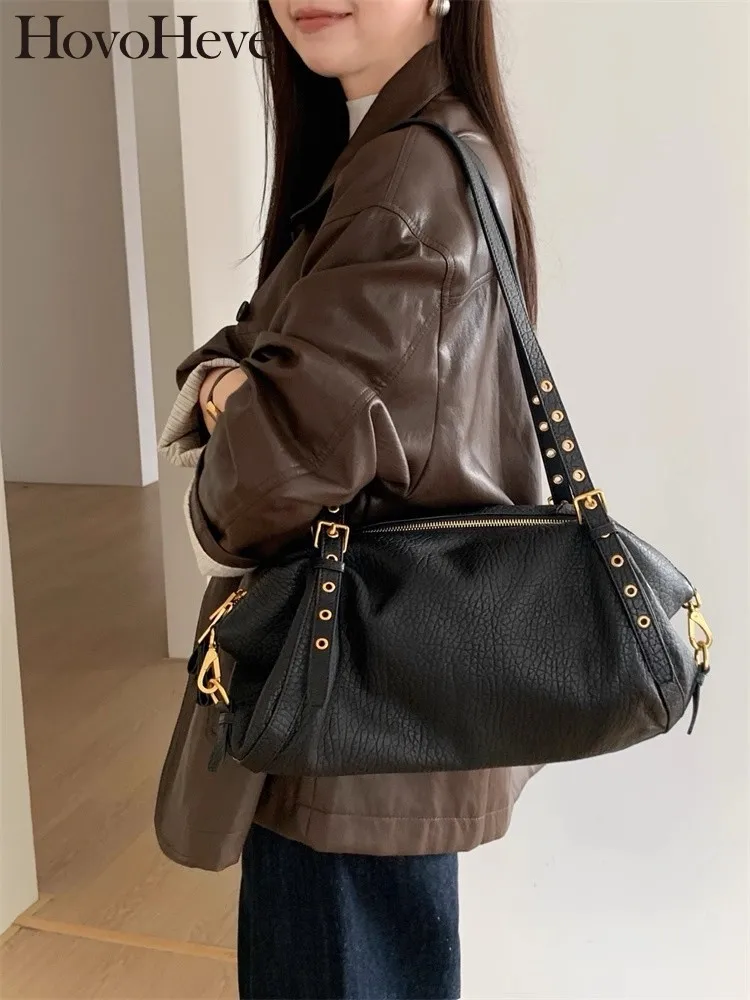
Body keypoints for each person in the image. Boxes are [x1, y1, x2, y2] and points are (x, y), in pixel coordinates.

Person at [156, 1, 544, 997]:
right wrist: (241, 381)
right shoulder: (416, 147)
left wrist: (224, 392)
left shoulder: (407, 173)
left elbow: (267, 479)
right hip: (382, 688)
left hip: (341, 700)